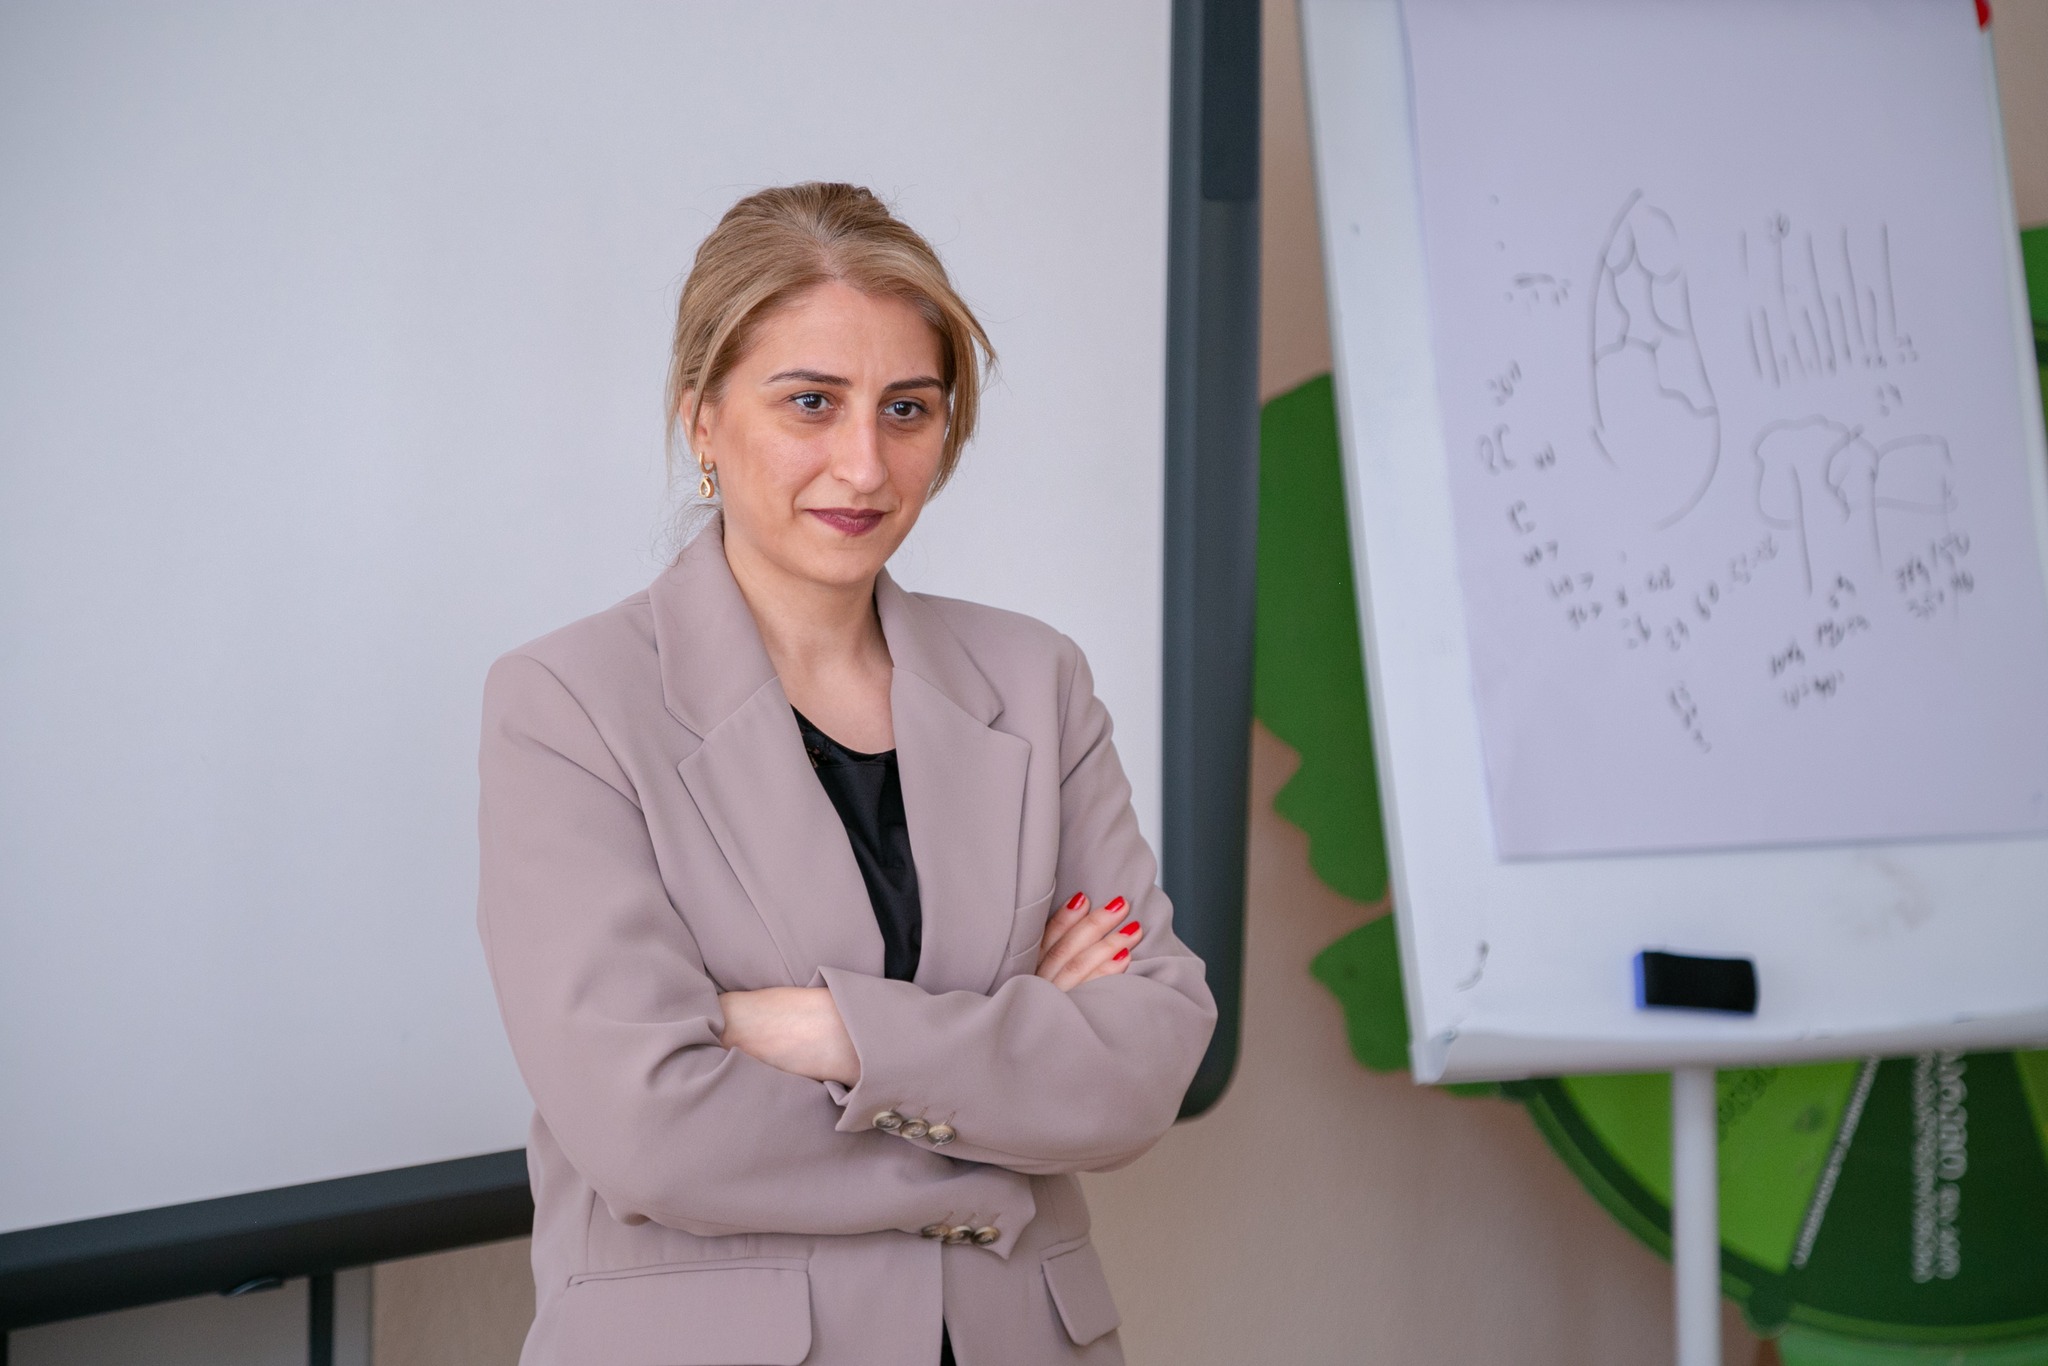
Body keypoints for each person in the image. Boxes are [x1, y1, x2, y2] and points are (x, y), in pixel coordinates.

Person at [477, 182, 1216, 1366]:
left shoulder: (1035, 681)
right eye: (810, 402)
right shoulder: (569, 704)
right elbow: (647, 1130)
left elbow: (1145, 1060)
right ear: (701, 418)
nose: (863, 464)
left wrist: (831, 1032)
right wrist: (1004, 1083)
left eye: (906, 408)